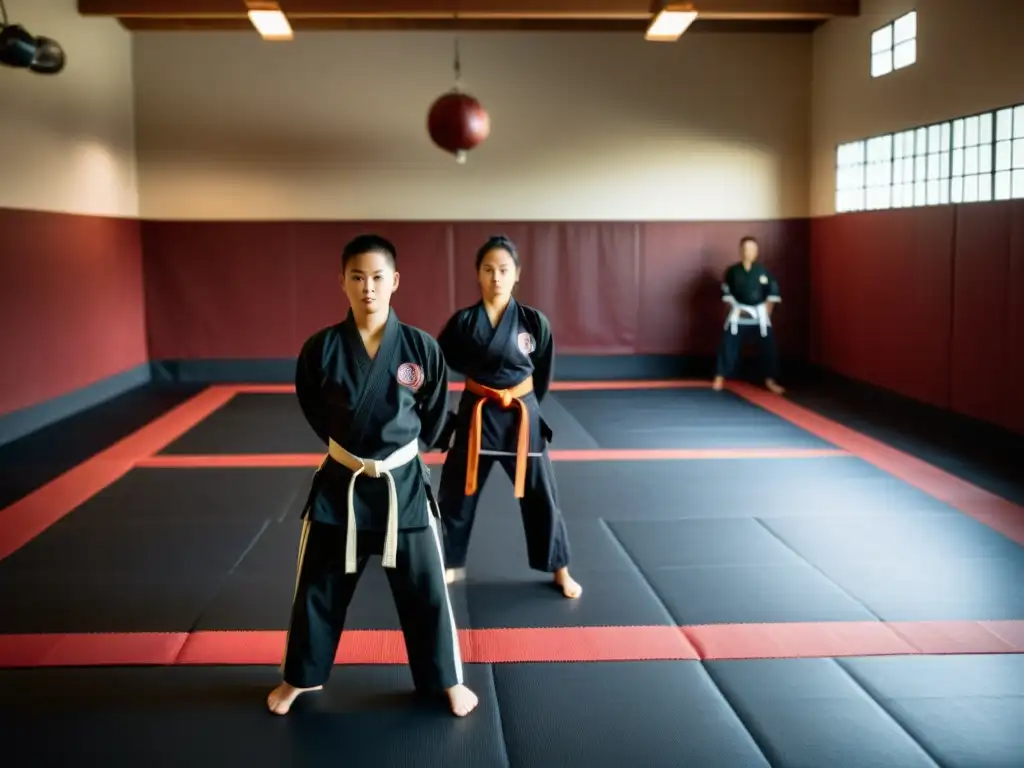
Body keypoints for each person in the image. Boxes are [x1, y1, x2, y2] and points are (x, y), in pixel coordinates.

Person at [266, 234, 478, 718]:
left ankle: (445, 680)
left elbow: (431, 415)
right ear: (341, 281)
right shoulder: (319, 349)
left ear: (395, 281)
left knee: (426, 587)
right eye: (357, 277)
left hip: (402, 484)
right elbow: (313, 407)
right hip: (342, 481)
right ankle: (300, 677)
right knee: (317, 586)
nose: (368, 287)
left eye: (378, 277)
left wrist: (394, 451)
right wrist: (350, 449)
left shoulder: (421, 348)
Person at [434, 235, 582, 600]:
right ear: (478, 274)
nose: (496, 278)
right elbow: (442, 358)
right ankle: (450, 562)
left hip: (520, 417)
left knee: (541, 494)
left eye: (503, 270)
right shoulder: (464, 322)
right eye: (488, 270)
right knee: (456, 491)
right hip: (477, 413)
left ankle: (559, 567)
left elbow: (542, 371)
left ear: (517, 274)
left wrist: (526, 403)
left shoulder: (533, 321)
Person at [711, 236, 785, 395]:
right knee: (728, 343)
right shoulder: (732, 271)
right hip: (739, 312)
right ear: (740, 250)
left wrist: (767, 310)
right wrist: (735, 307)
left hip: (759, 313)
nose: (748, 252)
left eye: (752, 249)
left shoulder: (763, 271)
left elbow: (772, 293)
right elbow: (726, 292)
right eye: (745, 249)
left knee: (768, 345)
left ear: (757, 252)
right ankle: (720, 376)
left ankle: (770, 380)